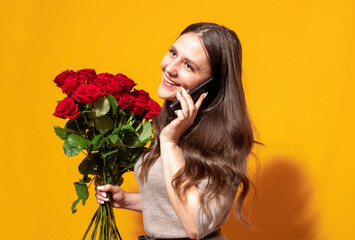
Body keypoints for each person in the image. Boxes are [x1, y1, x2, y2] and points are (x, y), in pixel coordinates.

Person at [95, 22, 258, 240]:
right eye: (173, 53)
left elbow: (195, 223)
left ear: (210, 85)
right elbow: (174, 201)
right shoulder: (171, 121)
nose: (170, 68)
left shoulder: (226, 140)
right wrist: (126, 200)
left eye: (189, 66)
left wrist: (169, 142)